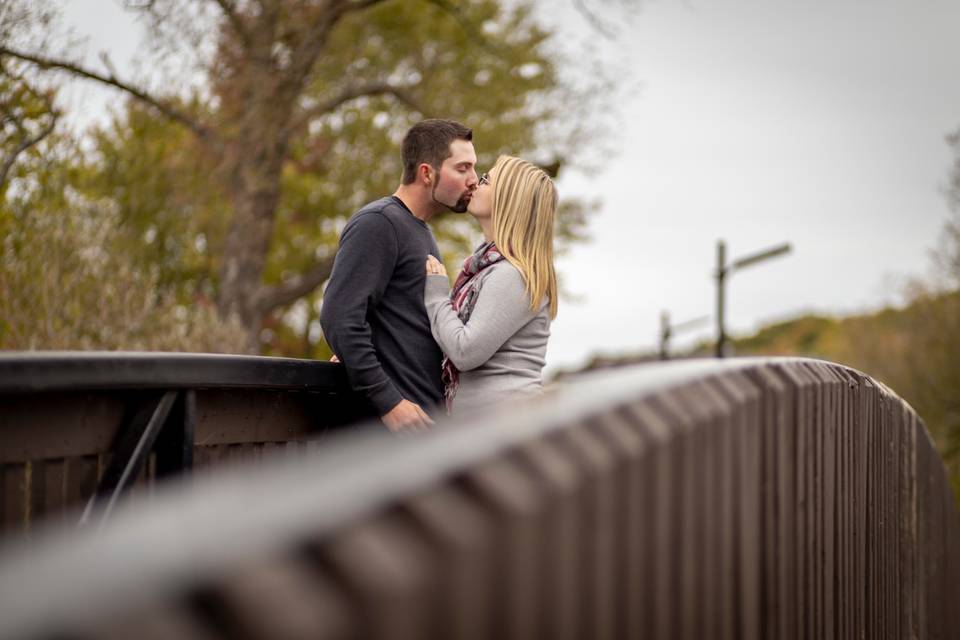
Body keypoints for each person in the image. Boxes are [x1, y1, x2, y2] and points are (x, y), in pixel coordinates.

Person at [320, 119, 478, 432]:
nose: (474, 179)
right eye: (463, 168)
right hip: (385, 437)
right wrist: (389, 402)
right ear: (426, 173)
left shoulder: (419, 232)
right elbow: (340, 318)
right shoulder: (379, 223)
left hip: (422, 432)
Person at [423, 155, 558, 414]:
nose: (475, 183)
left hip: (505, 432)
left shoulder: (513, 276)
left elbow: (464, 351)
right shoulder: (486, 270)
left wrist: (436, 296)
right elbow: (442, 336)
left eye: (486, 180)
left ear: (509, 199)